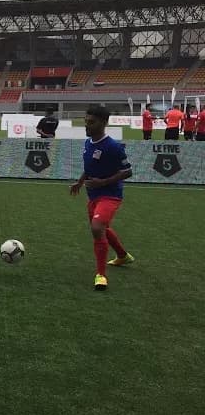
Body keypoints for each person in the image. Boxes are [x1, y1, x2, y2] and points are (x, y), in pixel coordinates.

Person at [69, 106, 135, 291]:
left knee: (97, 228)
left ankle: (101, 275)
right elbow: (89, 167)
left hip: (110, 196)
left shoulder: (113, 147)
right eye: (86, 122)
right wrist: (80, 182)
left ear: (104, 123)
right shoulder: (89, 143)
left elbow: (127, 171)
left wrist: (104, 181)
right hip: (94, 196)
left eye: (91, 122)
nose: (87, 126)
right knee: (102, 228)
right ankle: (123, 256)